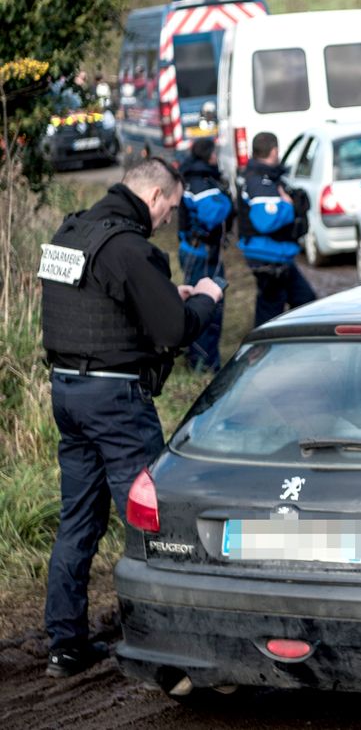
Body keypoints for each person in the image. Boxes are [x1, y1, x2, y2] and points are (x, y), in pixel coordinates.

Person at [38, 158, 223, 678]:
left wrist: (167, 296)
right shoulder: (131, 247)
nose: (168, 220)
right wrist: (204, 299)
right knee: (149, 521)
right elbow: (174, 331)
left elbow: (100, 301)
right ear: (157, 197)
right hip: (117, 405)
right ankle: (171, 650)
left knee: (77, 520)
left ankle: (65, 645)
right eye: (172, 208)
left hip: (68, 394)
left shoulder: (71, 231)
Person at [238, 132, 316, 326]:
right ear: (274, 151)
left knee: (306, 302)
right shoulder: (259, 182)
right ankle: (262, 352)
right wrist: (289, 206)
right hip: (268, 258)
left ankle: (298, 342)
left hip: (278, 257)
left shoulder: (264, 177)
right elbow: (265, 221)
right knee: (270, 315)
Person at [176, 137, 233, 372]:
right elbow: (212, 216)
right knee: (209, 305)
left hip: (191, 250)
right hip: (202, 255)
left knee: (194, 302)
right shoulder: (202, 183)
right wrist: (227, 201)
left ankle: (197, 358)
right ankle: (204, 365)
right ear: (209, 155)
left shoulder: (189, 178)